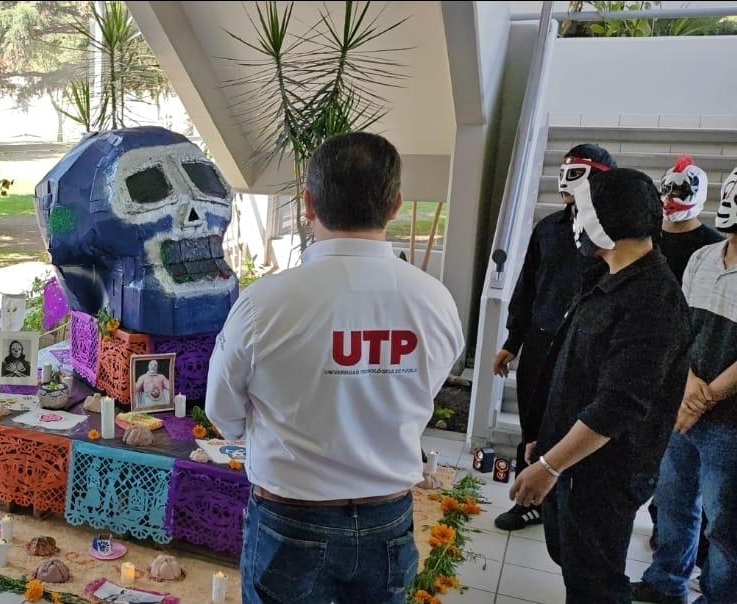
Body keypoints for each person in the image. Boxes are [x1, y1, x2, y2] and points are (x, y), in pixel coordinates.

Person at [207, 132, 464, 603]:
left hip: (289, 519)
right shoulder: (436, 302)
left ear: (308, 203)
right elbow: (423, 389)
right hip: (387, 520)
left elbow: (222, 411)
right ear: (395, 205)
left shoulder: (264, 305)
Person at [510, 168, 692, 604]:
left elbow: (616, 405)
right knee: (572, 560)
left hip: (603, 474)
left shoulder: (652, 301)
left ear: (609, 220)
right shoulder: (604, 276)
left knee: (595, 583)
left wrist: (551, 466)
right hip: (571, 459)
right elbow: (572, 368)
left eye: (583, 211)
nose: (575, 221)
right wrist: (545, 437)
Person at [492, 144, 616, 531]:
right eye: (562, 171)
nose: (564, 180)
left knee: (573, 424)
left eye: (575, 172)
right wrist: (512, 341)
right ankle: (527, 499)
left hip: (586, 349)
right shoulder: (548, 229)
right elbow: (527, 286)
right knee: (532, 421)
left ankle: (565, 501)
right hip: (541, 342)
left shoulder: (613, 236)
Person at [631, 166, 737, 604]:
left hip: (729, 424)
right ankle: (666, 582)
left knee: (725, 526)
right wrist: (689, 386)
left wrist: (705, 397)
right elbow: (681, 329)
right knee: (674, 503)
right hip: (684, 407)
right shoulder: (703, 258)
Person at [649, 154, 722, 560]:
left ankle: (695, 552)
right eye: (668, 188)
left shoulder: (711, 246)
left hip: (698, 373)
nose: (671, 197)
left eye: (680, 190)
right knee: (665, 470)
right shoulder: (651, 238)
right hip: (653, 358)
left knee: (698, 481)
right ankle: (667, 541)